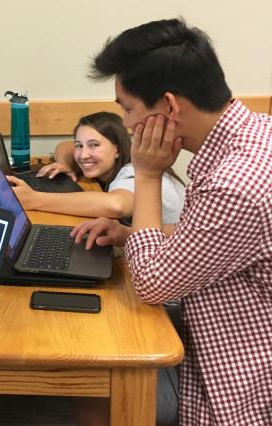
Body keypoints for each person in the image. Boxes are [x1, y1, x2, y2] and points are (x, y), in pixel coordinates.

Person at [72, 18, 272, 425]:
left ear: (168, 106)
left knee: (92, 379)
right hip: (216, 323)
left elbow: (152, 284)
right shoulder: (251, 135)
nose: (127, 125)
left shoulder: (235, 183)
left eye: (128, 109)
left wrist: (147, 173)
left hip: (236, 377)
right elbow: (215, 239)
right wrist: (130, 234)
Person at [6, 111, 185, 225]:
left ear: (117, 148)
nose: (83, 155)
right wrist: (65, 163)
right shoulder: (123, 160)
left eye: (94, 145)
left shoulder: (132, 172)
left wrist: (35, 199)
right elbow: (64, 146)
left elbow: (116, 206)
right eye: (80, 145)